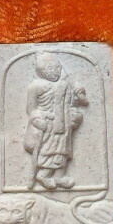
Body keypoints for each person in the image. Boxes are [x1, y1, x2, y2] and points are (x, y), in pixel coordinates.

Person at [24, 52, 88, 190]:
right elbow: (31, 109)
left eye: (57, 67)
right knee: (47, 152)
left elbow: (80, 97)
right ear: (41, 72)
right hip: (48, 126)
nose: (54, 71)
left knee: (63, 152)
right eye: (48, 69)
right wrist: (37, 120)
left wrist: (79, 95)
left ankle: (59, 176)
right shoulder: (35, 86)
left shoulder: (66, 83)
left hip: (64, 125)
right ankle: (42, 176)